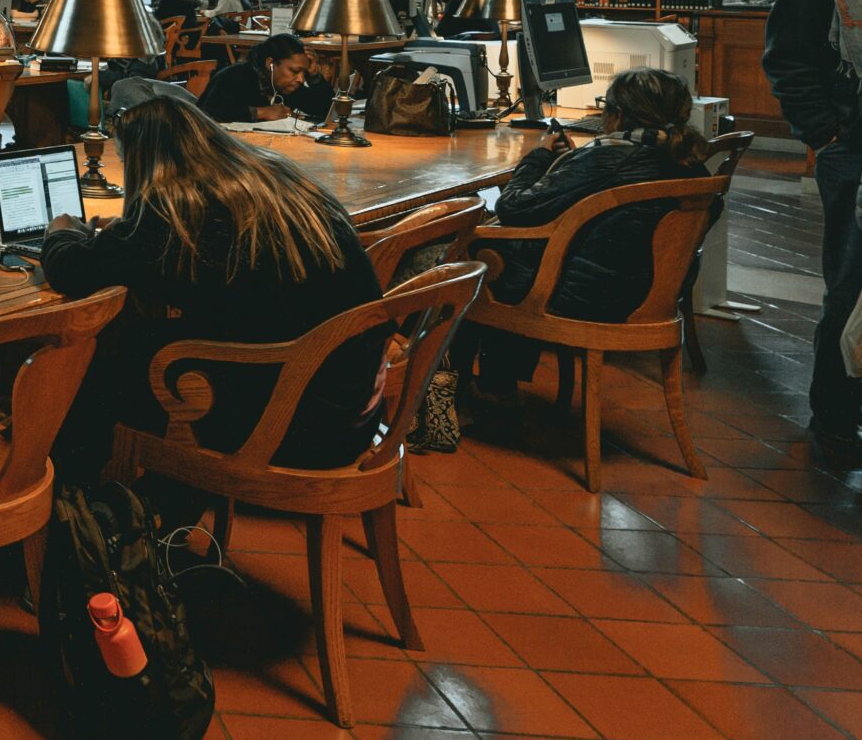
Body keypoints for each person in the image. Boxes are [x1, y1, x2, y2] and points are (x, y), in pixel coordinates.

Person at [41, 85, 388, 476]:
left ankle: (68, 478)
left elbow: (72, 270)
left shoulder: (177, 211)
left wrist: (61, 230)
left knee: (111, 346)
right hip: (353, 403)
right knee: (142, 338)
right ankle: (125, 482)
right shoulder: (273, 176)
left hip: (297, 427)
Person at [455, 68, 711, 402]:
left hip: (583, 298)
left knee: (471, 254)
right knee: (516, 253)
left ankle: (453, 387)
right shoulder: (688, 158)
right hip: (650, 293)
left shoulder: (607, 158)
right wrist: (573, 165)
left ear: (616, 114)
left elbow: (514, 206)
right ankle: (497, 382)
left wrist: (541, 156)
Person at [765, 0, 862, 467]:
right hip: (858, 152)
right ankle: (837, 414)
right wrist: (828, 136)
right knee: (852, 283)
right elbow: (786, 58)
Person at [201, 33, 334, 124]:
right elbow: (209, 114)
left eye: (304, 73)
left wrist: (315, 77)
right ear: (270, 64)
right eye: (295, 71)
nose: (300, 79)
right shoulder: (234, 77)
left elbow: (328, 111)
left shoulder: (284, 85)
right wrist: (260, 112)